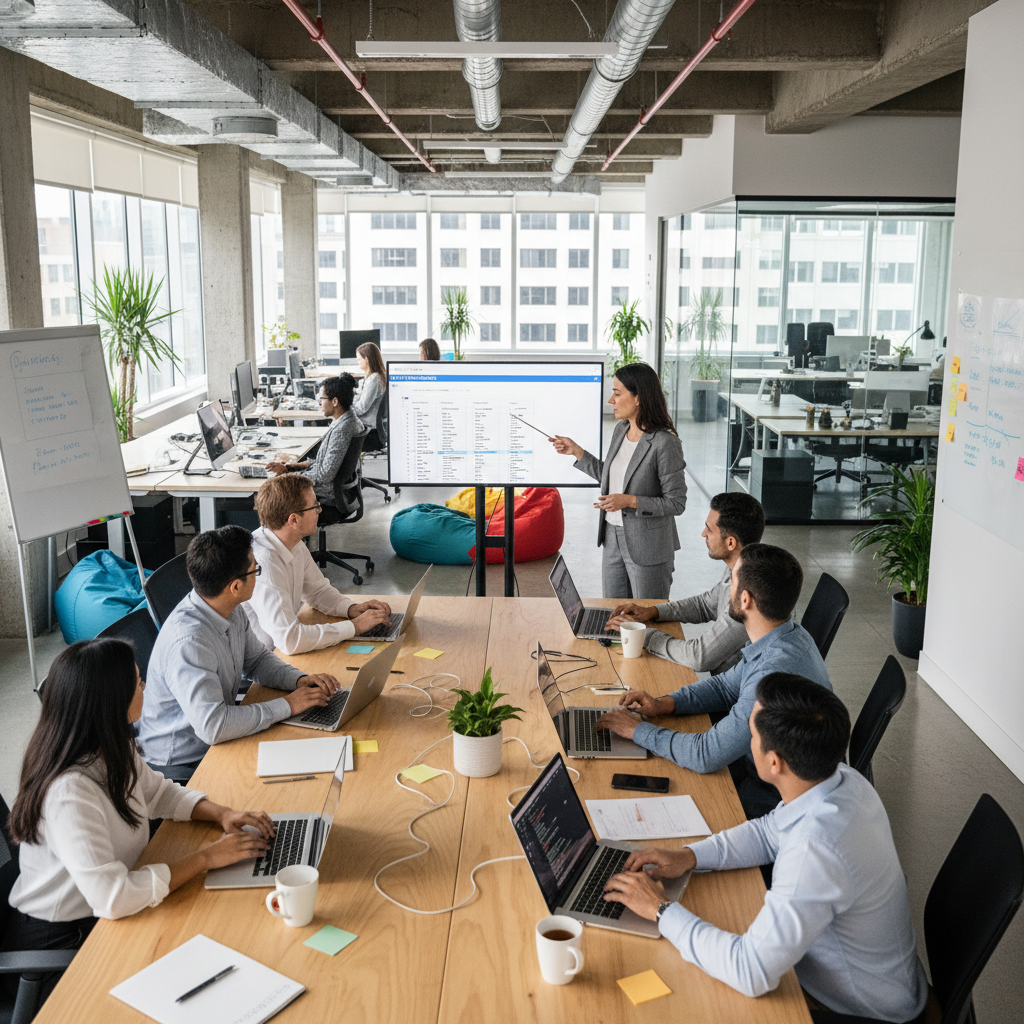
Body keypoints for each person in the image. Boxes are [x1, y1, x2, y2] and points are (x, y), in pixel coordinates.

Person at [602, 673, 929, 1024]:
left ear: (774, 763)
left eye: (752, 734)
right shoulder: (843, 780)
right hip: (876, 978)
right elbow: (767, 832)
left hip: (860, 1010)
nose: (747, 737)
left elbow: (750, 971)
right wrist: (689, 856)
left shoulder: (814, 851)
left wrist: (660, 910)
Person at [3, 639, 274, 1002]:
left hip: (105, 910)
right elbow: (113, 898)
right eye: (136, 681)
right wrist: (208, 857)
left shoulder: (109, 742)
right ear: (110, 700)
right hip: (62, 944)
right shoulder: (69, 792)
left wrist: (223, 813)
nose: (144, 685)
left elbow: (157, 793)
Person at [597, 543, 831, 817]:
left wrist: (637, 731)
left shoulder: (772, 674)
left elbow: (705, 755)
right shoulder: (786, 635)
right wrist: (664, 704)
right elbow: (724, 686)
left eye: (731, 581)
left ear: (745, 599)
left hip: (774, 798)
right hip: (763, 766)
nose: (725, 587)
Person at [136, 526, 340, 783]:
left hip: (217, 734)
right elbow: (215, 727)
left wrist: (299, 680)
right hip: (185, 762)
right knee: (299, 775)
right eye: (255, 569)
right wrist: (289, 705)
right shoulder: (189, 642)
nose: (258, 574)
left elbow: (256, 660)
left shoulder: (226, 606)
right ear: (235, 586)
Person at [550, 362, 687, 599]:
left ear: (638, 398)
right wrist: (577, 452)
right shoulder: (620, 430)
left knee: (646, 618)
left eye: (617, 393)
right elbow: (612, 478)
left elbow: (676, 503)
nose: (610, 400)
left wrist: (630, 501)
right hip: (612, 537)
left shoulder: (665, 443)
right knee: (613, 613)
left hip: (648, 546)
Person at [605, 492, 765, 674]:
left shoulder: (748, 596)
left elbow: (699, 657)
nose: (703, 533)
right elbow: (706, 604)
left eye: (709, 530)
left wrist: (642, 635)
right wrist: (653, 611)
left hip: (734, 695)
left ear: (731, 543)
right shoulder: (740, 567)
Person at [246, 473, 392, 653]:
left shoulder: (292, 542)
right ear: (294, 520)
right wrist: (354, 627)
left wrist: (352, 609)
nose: (320, 511)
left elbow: (317, 591)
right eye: (315, 506)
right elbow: (290, 641)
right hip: (267, 659)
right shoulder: (264, 564)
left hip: (280, 653)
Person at [266, 374, 366, 503]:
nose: (319, 403)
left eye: (322, 399)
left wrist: (288, 475)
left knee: (268, 491)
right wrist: (291, 467)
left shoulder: (342, 430)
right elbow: (325, 464)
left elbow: (325, 475)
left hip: (328, 493)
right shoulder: (347, 420)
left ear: (335, 402)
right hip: (336, 488)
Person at [352, 341, 387, 431]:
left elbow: (361, 408)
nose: (358, 362)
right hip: (367, 426)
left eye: (359, 359)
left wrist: (342, 411)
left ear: (366, 359)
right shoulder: (373, 377)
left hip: (368, 429)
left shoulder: (374, 379)